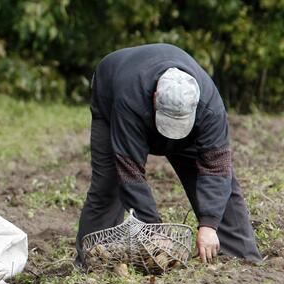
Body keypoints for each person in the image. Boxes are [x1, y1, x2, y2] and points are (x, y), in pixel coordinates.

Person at [75, 43, 262, 267]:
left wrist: (209, 225)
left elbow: (216, 167)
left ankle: (242, 261)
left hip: (185, 119)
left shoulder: (210, 107)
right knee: (110, 183)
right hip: (113, 92)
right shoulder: (130, 100)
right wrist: (154, 229)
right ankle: (96, 261)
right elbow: (129, 168)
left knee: (223, 185)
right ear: (155, 98)